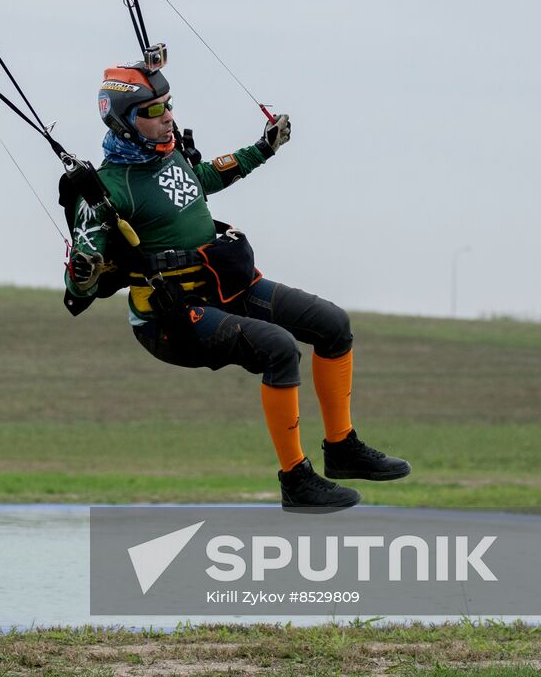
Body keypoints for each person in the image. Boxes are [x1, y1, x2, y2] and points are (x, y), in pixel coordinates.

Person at [63, 61, 410, 509]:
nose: (168, 115)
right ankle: (296, 480)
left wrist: (264, 148)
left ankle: (342, 448)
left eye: (168, 104)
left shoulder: (169, 156)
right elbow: (78, 288)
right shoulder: (108, 191)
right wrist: (85, 273)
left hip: (229, 288)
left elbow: (206, 177)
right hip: (171, 318)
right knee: (279, 348)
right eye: (153, 110)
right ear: (125, 122)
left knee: (332, 324)